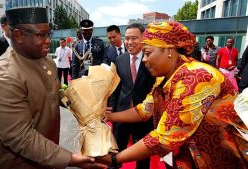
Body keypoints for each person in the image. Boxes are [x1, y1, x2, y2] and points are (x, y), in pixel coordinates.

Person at [98, 21, 248, 169]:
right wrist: (110, 116)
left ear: (169, 50)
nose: (144, 60)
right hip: (189, 157)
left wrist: (114, 159)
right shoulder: (163, 79)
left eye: (147, 53)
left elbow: (164, 138)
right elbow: (144, 110)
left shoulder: (197, 76)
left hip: (220, 159)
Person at [0, 7, 105, 169]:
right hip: (13, 162)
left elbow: (58, 94)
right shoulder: (3, 78)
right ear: (18, 35)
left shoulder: (46, 61)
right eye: (41, 35)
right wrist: (69, 158)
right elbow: (21, 137)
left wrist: (89, 108)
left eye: (48, 34)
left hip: (43, 154)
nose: (48, 40)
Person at [108, 23, 155, 169]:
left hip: (144, 117)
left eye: (134, 38)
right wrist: (111, 109)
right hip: (121, 114)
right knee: (116, 152)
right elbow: (115, 88)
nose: (129, 42)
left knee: (142, 156)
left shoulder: (152, 60)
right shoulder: (120, 59)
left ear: (144, 38)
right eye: (127, 38)